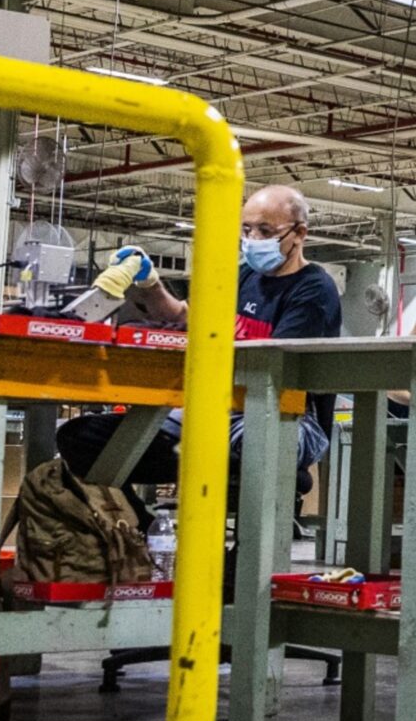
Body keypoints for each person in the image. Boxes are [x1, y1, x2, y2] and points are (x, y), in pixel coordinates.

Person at [58, 183, 343, 494]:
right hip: (216, 409)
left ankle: (271, 479)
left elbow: (276, 368)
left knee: (258, 444)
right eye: (246, 230)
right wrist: (150, 285)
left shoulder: (313, 290)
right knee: (81, 438)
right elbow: (184, 316)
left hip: (280, 417)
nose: (252, 240)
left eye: (265, 231)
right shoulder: (244, 275)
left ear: (299, 233)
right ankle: (138, 520)